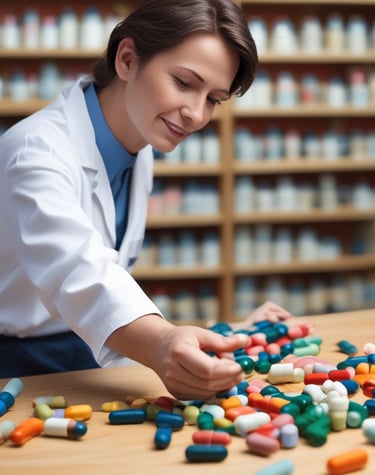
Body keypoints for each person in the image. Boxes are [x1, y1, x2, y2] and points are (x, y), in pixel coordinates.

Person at [0, 0, 291, 400]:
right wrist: (160, 343)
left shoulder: (139, 147)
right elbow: (77, 272)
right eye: (185, 83)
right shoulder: (35, 152)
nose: (197, 115)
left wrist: (227, 337)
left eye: (213, 99)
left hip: (94, 352)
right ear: (127, 59)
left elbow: (110, 289)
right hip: (18, 371)